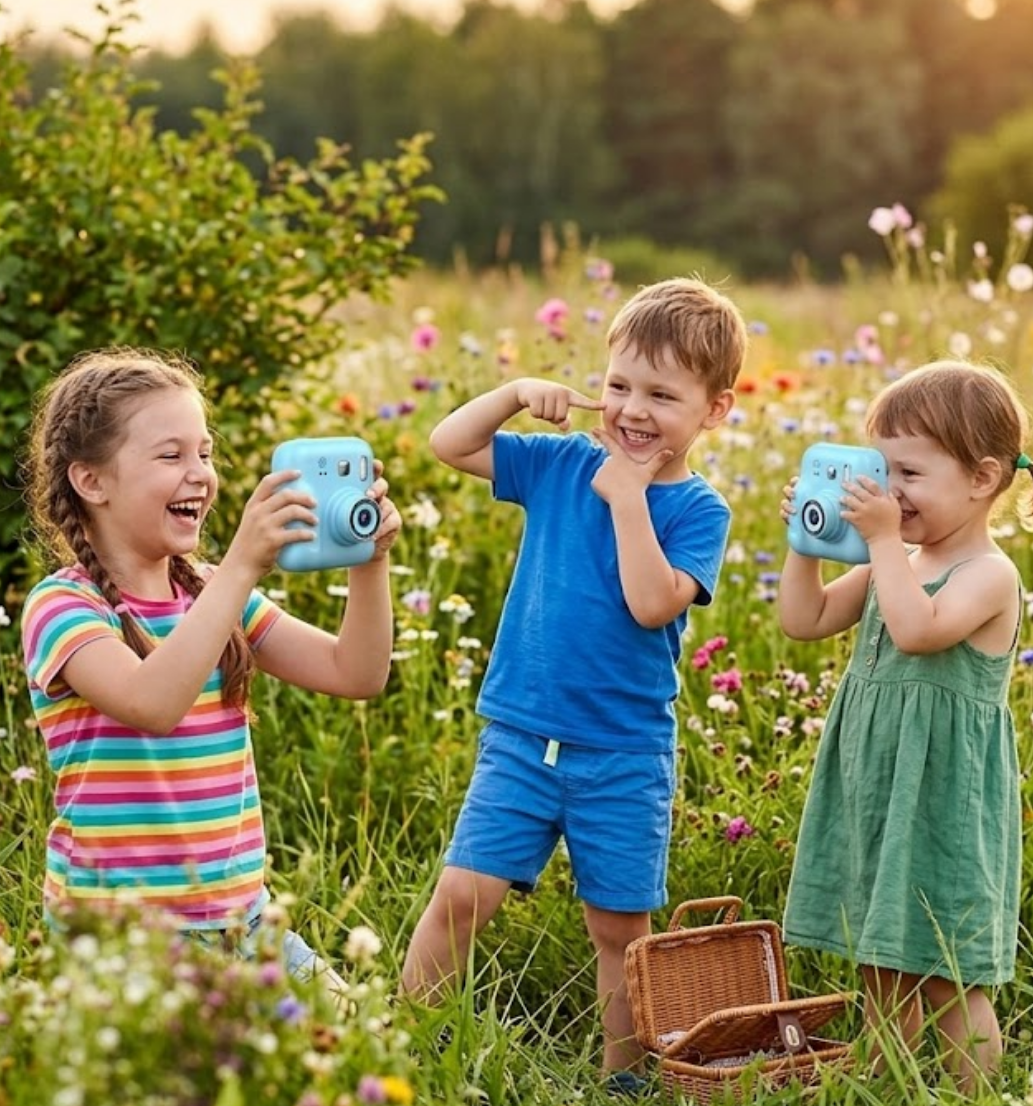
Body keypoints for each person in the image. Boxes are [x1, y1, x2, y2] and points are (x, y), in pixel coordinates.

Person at [401, 277, 748, 1093]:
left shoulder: (700, 512)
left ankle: (622, 1080)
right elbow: (448, 445)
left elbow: (649, 601)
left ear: (715, 410)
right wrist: (515, 394)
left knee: (619, 930)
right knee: (460, 897)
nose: (632, 409)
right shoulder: (559, 464)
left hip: (624, 755)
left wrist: (629, 499)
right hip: (522, 738)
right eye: (620, 385)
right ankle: (407, 1045)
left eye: (662, 395)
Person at [21, 346, 401, 987]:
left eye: (204, 453)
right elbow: (152, 703)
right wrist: (245, 565)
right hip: (119, 931)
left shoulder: (212, 593)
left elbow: (354, 674)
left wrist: (370, 563)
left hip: (243, 920)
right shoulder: (63, 607)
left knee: (366, 1048)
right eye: (171, 456)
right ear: (92, 482)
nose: (199, 473)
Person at [778, 359, 1027, 1093]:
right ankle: (888, 1081)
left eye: (908, 474)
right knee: (882, 956)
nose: (887, 492)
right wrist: (805, 540)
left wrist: (884, 542)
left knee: (949, 969)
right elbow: (806, 620)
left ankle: (972, 1092)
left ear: (981, 479)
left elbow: (919, 631)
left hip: (944, 802)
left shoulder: (989, 574)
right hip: (879, 788)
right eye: (881, 470)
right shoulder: (902, 558)